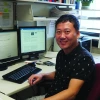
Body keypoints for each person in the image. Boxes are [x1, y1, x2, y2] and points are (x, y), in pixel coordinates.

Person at [26, 14, 95, 100]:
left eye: (67, 31)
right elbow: (61, 74)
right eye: (58, 32)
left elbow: (71, 93)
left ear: (77, 34)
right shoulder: (62, 53)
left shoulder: (84, 59)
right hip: (52, 96)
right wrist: (43, 75)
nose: (62, 36)